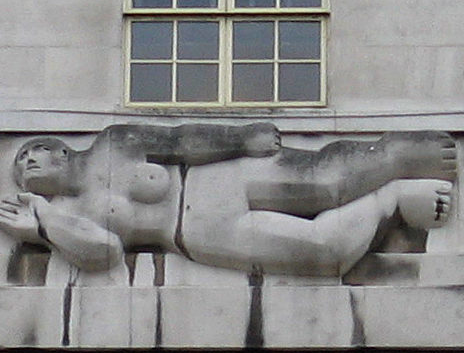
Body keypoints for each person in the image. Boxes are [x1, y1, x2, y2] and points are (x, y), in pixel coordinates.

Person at [0, 124, 457, 276]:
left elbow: (180, 141)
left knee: (325, 180)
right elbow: (103, 254)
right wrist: (42, 224)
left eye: (29, 154)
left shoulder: (113, 143)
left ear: (59, 149)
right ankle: (392, 197)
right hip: (194, 232)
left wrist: (240, 139)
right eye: (21, 167)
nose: (26, 164)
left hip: (213, 181)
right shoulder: (69, 214)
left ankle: (396, 154)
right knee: (326, 253)